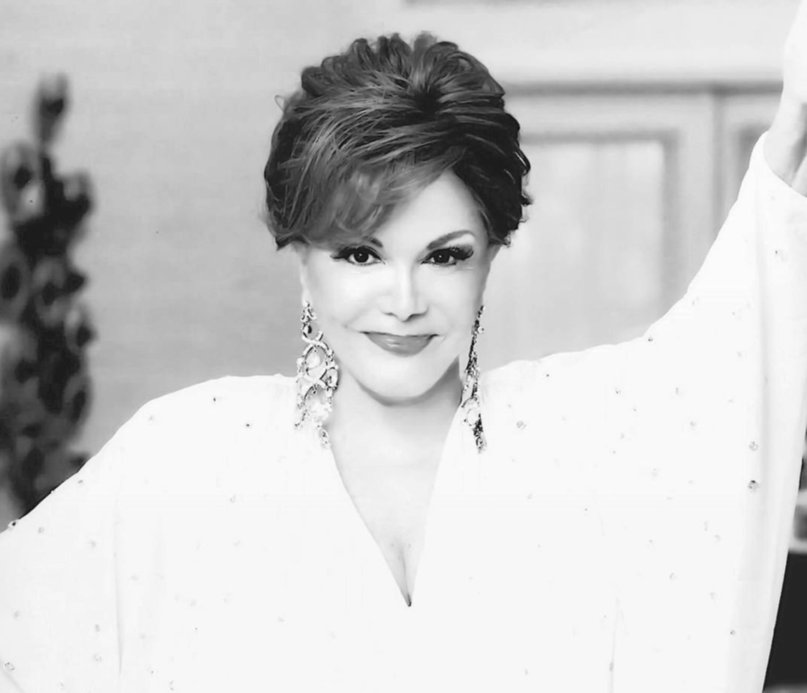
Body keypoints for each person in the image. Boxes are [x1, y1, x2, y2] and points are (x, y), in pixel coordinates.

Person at [2, 6, 807, 692]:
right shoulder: (187, 454)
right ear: (301, 255)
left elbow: (724, 362)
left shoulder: (576, 437)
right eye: (360, 253)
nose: (403, 298)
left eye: (444, 255)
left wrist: (791, 129)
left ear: (490, 255)